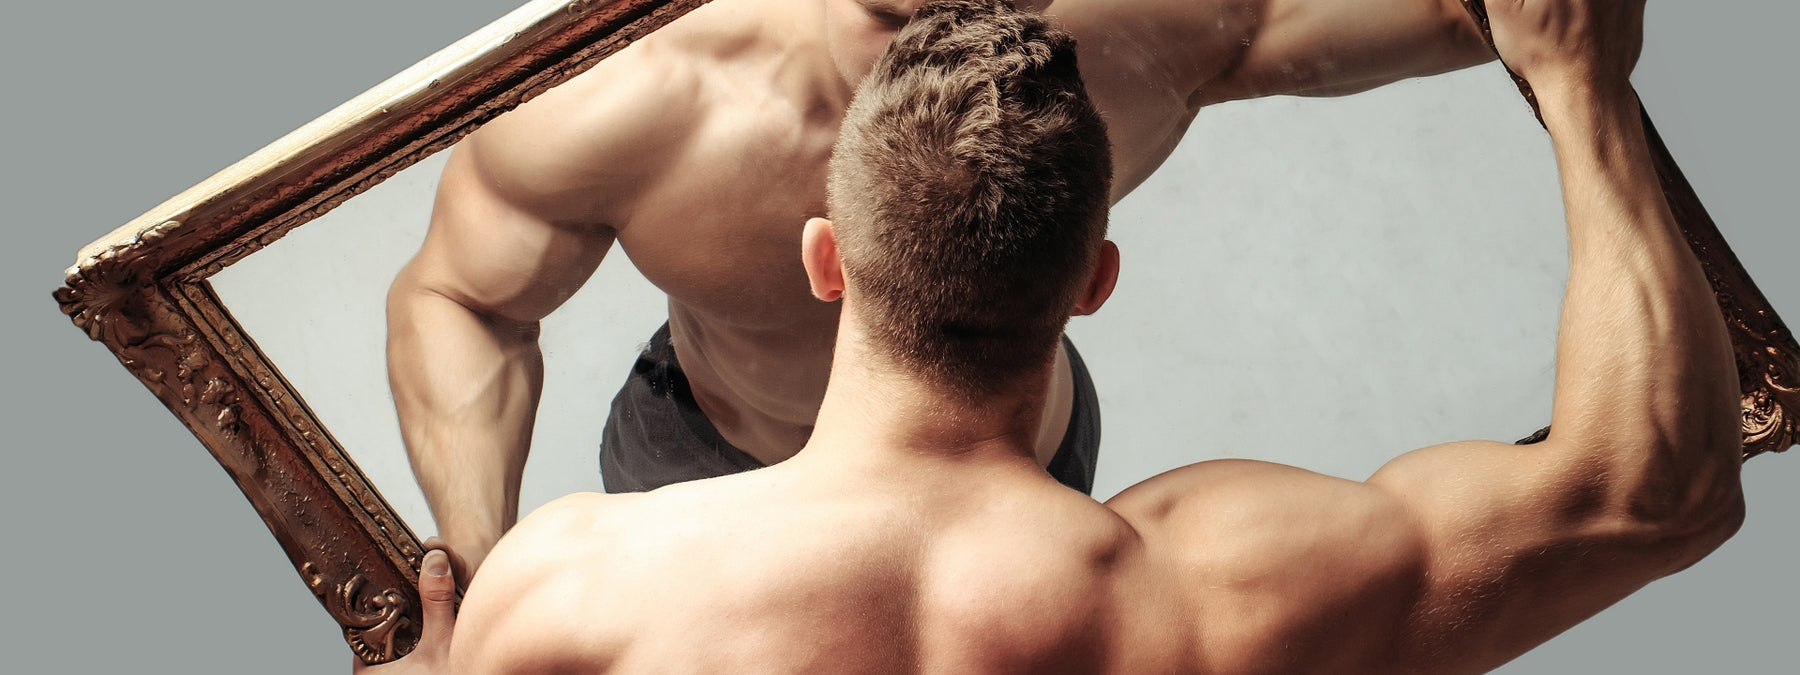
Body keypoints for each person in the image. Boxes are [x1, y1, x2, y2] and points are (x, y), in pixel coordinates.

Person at [364, 1, 1745, 671]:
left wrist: (470, 604)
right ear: (1096, 281)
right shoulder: (1218, 592)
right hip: (724, 438)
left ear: (824, 261)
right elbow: (1656, 492)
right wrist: (1581, 87)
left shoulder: (572, 589)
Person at [385, 0, 1502, 578]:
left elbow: (1475, 12)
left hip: (1014, 459)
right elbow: (464, 300)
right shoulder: (627, 102)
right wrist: (477, 555)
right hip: (714, 467)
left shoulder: (1146, 34)